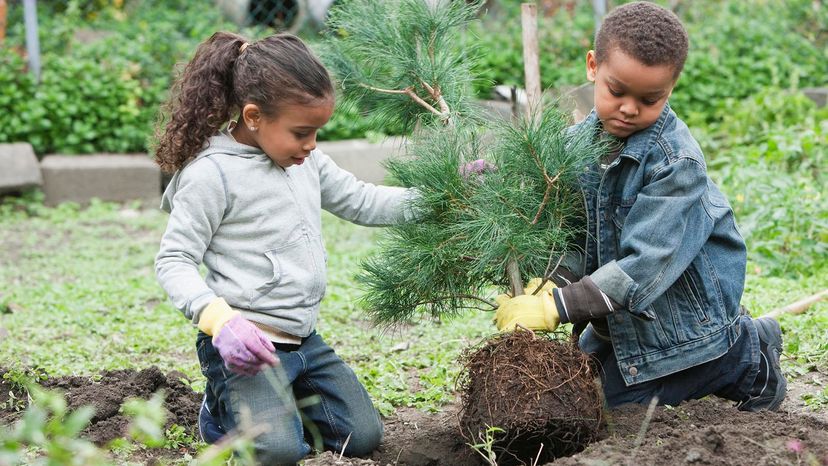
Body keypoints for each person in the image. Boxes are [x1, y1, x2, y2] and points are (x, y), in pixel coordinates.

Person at [494, 1, 786, 412]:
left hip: (677, 317)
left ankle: (744, 358)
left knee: (608, 410)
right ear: (593, 66)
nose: (630, 108)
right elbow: (579, 235)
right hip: (623, 318)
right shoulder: (575, 147)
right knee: (578, 393)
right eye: (617, 92)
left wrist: (558, 307)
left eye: (650, 99)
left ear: (671, 88)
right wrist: (554, 280)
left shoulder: (675, 164)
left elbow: (646, 264)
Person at [153, 32, 419, 463]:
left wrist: (442, 196)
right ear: (254, 116)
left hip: (303, 341)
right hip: (247, 346)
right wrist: (220, 321)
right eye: (301, 132)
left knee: (363, 436)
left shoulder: (305, 160)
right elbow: (174, 260)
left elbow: (364, 201)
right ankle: (220, 415)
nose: (311, 144)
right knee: (277, 453)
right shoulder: (211, 175)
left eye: (316, 132)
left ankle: (278, 404)